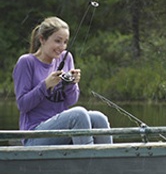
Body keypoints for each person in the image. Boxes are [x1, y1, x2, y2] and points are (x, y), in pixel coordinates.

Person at [13, 16, 113, 146]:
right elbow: (22, 105)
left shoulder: (66, 58)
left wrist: (71, 84)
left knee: (99, 118)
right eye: (58, 41)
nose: (62, 47)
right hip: (35, 135)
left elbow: (71, 101)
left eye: (65, 42)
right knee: (79, 114)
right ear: (42, 39)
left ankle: (107, 162)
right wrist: (45, 85)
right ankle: (89, 161)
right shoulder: (26, 62)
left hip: (61, 128)